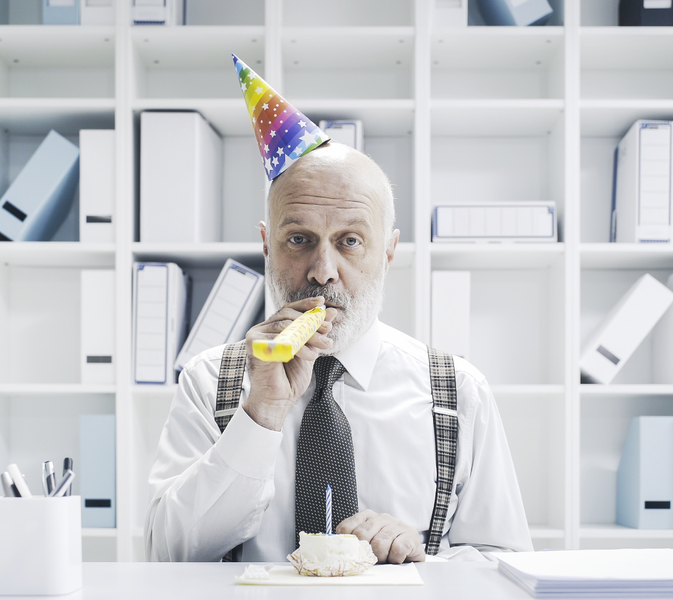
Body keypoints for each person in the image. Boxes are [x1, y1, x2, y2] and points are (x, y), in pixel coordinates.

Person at [144, 140, 533, 564]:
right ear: (266, 246)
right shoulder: (208, 380)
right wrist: (261, 415)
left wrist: (420, 563)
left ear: (387, 252)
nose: (322, 271)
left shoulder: (460, 392)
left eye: (349, 240)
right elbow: (167, 555)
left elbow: (507, 566)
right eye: (298, 239)